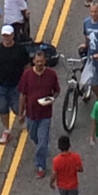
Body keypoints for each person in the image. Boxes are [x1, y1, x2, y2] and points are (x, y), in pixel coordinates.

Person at [19, 45, 61, 178]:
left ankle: (40, 165)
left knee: (42, 141)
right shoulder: (27, 75)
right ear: (33, 62)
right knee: (34, 137)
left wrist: (52, 99)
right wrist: (21, 113)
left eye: (41, 62)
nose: (39, 64)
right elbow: (23, 95)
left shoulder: (51, 74)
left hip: (45, 114)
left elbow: (57, 90)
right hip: (31, 114)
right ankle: (42, 149)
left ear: (45, 61)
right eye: (37, 62)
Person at [0, 25, 29, 146]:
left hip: (17, 85)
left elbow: (26, 65)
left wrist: (26, 81)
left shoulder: (20, 50)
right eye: (4, 36)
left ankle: (24, 121)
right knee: (2, 109)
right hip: (1, 85)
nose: (6, 38)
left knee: (18, 108)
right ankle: (6, 129)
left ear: (12, 36)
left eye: (8, 35)